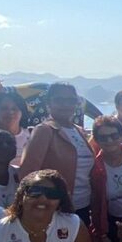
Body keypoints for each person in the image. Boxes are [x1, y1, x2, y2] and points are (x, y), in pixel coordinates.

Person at [18, 84, 94, 225]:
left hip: (83, 206)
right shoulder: (44, 130)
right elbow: (27, 173)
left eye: (70, 100)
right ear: (49, 103)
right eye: (59, 100)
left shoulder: (79, 131)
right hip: (56, 208)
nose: (65, 105)